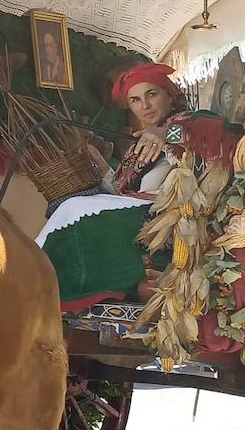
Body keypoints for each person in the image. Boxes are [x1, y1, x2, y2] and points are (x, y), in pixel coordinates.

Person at [38, 64, 229, 311]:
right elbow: (120, 192)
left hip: (171, 217)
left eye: (152, 94)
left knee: (74, 208)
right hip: (139, 210)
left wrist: (165, 134)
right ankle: (51, 284)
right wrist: (98, 164)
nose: (145, 105)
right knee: (67, 206)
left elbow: (214, 131)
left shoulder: (192, 120)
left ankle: (57, 288)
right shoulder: (139, 144)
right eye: (135, 100)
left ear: (169, 94)